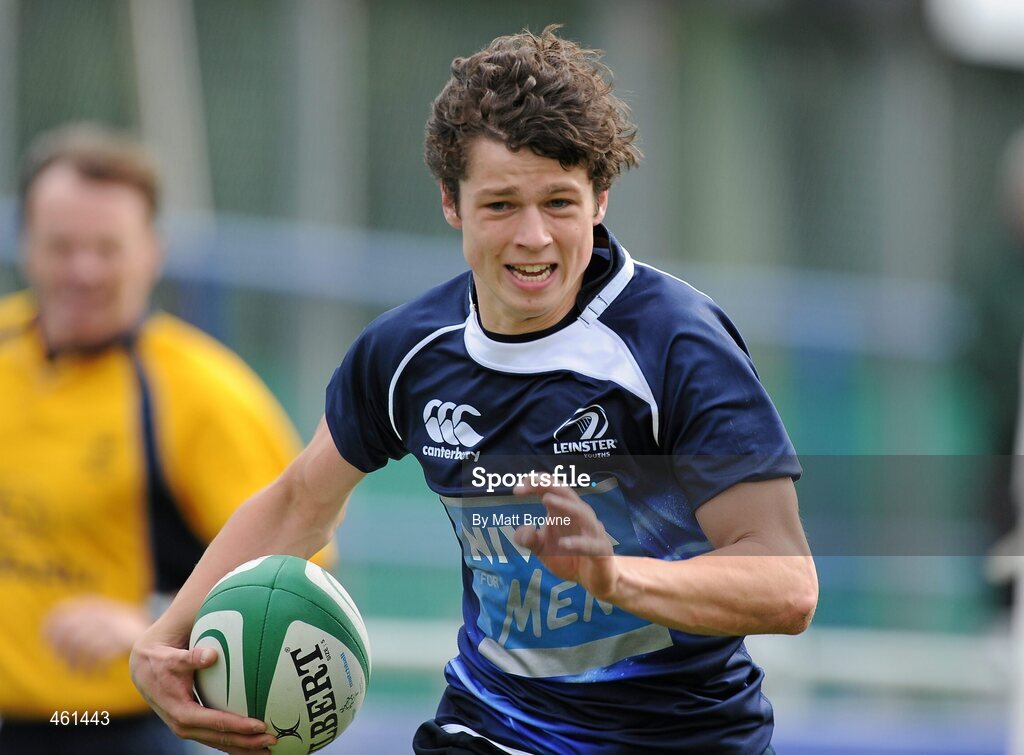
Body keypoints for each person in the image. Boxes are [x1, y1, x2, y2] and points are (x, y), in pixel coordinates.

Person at [130, 27, 817, 755]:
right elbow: (303, 501)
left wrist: (616, 578)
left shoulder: (676, 344)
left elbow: (786, 583)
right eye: (499, 205)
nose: (533, 238)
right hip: (493, 728)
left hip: (685, 739)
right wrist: (164, 636)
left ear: (601, 198)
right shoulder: (408, 353)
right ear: (451, 204)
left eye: (559, 201)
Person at [0, 123, 330, 754]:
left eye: (107, 247)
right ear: (26, 246)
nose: (84, 270)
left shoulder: (204, 391)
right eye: (62, 246)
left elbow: (299, 565)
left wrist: (152, 625)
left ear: (153, 249)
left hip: (104, 729)